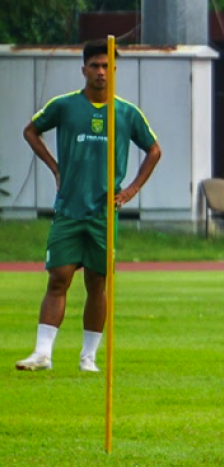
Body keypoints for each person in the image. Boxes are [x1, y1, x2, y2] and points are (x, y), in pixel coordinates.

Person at [15, 40, 161, 373]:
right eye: (94, 65)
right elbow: (31, 131)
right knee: (59, 278)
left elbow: (154, 150)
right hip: (69, 209)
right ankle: (42, 353)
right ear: (84, 70)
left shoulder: (126, 112)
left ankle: (88, 357)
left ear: (114, 71)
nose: (100, 71)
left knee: (97, 282)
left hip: (103, 214)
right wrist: (55, 167)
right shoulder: (65, 106)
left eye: (106, 66)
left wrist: (131, 190)